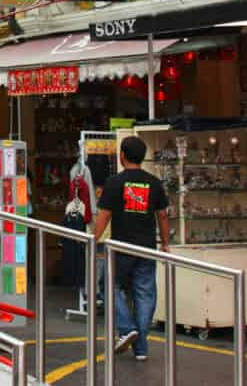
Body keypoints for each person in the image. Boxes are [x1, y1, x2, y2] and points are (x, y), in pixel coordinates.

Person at [92, 136, 170, 363]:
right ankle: (141, 348)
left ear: (123, 155)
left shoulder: (115, 182)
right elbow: (163, 215)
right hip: (147, 248)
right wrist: (165, 243)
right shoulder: (154, 183)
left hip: (121, 247)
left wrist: (93, 239)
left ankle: (126, 328)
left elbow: (104, 214)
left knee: (108, 286)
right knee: (144, 295)